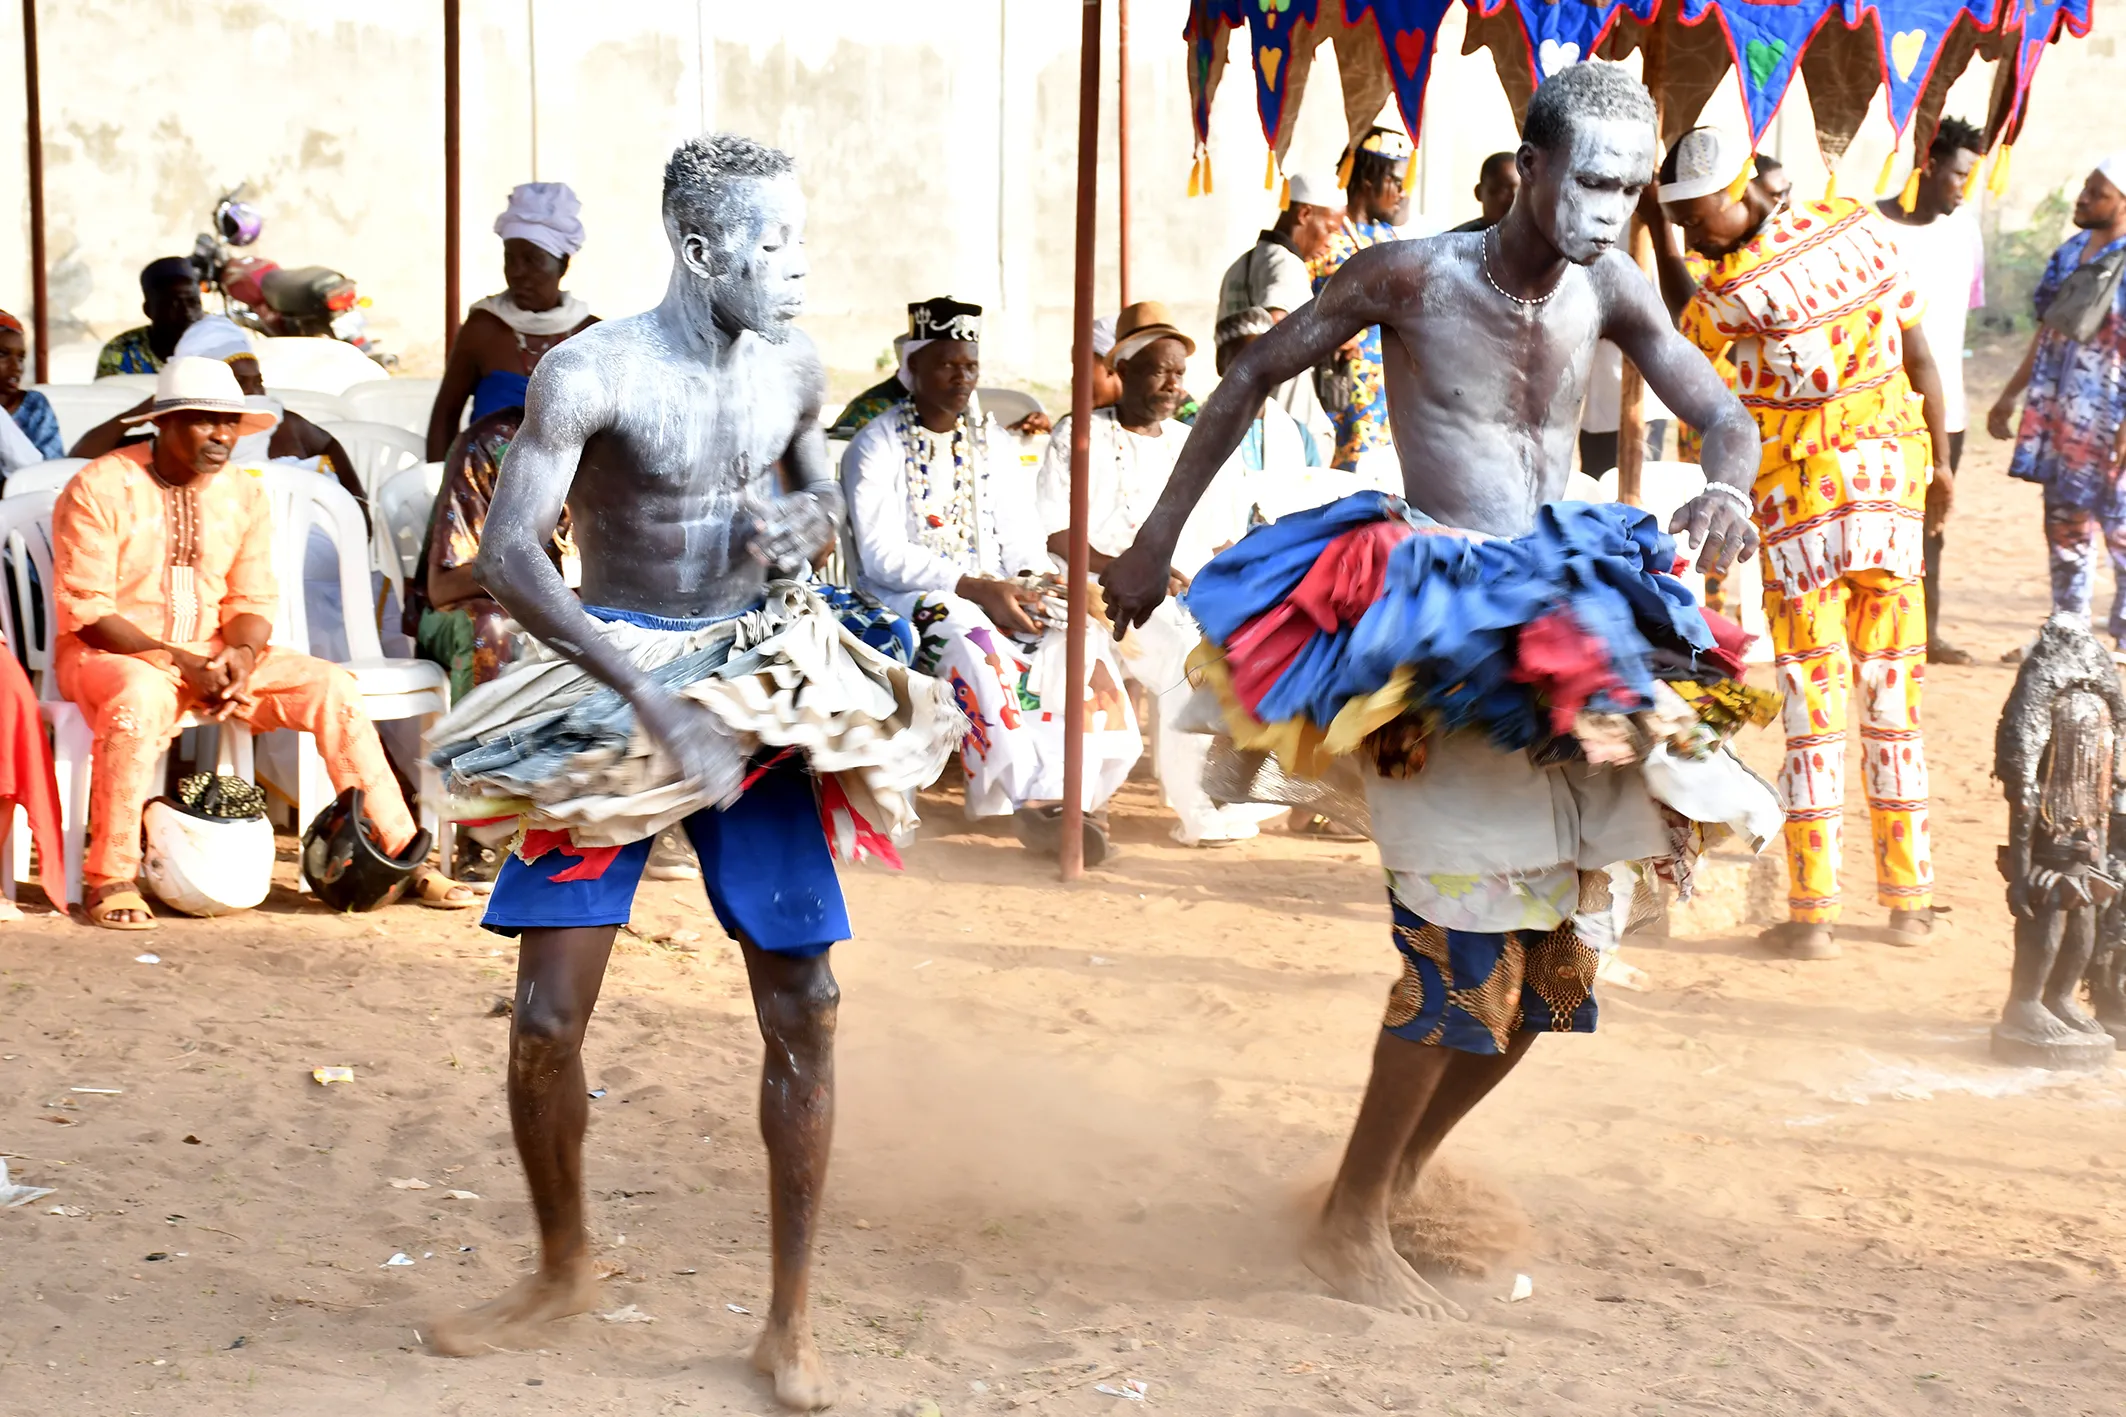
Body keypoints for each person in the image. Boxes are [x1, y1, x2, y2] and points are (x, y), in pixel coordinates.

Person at [1101, 62, 1760, 1319]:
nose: (1610, 210)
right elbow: (1245, 381)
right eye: (1591, 181)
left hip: (1565, 618)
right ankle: (1348, 1225)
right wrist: (1149, 542)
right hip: (1436, 626)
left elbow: (1721, 415)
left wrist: (1723, 486)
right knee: (1460, 949)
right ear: (1529, 167)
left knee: (1559, 970)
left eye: (1631, 188)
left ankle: (1387, 1183)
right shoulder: (1407, 275)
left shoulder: (1614, 286)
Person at [419, 134, 965, 1411]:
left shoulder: (792, 365)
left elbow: (816, 492)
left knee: (806, 1003)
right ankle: (562, 1266)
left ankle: (790, 1320)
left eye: (799, 238)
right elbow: (508, 556)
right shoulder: (589, 373)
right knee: (548, 1021)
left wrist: (805, 524)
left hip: (755, 682)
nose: (796, 267)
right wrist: (645, 695)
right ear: (699, 250)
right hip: (611, 677)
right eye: (771, 245)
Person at [1645, 126, 1954, 959]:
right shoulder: (1858, 225)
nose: (1687, 233)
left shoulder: (1733, 292)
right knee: (1895, 703)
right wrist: (1945, 462)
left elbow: (1679, 324)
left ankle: (1813, 914)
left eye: (1692, 215)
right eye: (1674, 219)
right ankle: (1909, 902)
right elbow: (1919, 350)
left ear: (1736, 187)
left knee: (1813, 714)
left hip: (1804, 515)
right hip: (1892, 489)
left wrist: (1643, 209)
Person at [51, 357, 471, 929]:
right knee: (141, 699)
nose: (223, 436)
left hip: (216, 657)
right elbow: (88, 610)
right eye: (206, 422)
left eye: (231, 423)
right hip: (115, 657)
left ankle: (400, 856)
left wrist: (241, 657)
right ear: (164, 424)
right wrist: (184, 662)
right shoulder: (99, 484)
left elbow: (252, 602)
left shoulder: (241, 494)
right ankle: (112, 876)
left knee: (333, 687)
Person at [841, 296, 1139, 861]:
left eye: (970, 366)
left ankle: (1078, 793)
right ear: (913, 369)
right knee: (973, 641)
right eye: (947, 365)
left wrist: (1028, 584)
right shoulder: (875, 443)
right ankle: (1030, 802)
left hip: (996, 586)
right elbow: (880, 555)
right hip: (910, 597)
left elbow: (1022, 536)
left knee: (1076, 631)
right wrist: (975, 587)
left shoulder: (990, 442)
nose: (962, 378)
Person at [1038, 300, 1273, 847]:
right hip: (1097, 591)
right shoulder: (1079, 436)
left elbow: (1218, 537)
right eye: (1158, 370)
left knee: (1250, 642)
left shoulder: (1187, 442)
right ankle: (1200, 812)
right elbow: (1054, 534)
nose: (1172, 384)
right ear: (1121, 371)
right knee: (1181, 657)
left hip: (1179, 593)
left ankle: (1225, 792)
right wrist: (1130, 568)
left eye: (1179, 373)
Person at [1989, 155, 2126, 647]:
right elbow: (2049, 334)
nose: (2083, 198)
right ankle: (2070, 635)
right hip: (2064, 419)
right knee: (2066, 527)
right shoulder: (2068, 256)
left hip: (2115, 417)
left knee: (2122, 527)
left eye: (2097, 192)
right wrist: (2009, 395)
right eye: (2086, 188)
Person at [1879, 117, 1987, 666]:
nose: (1963, 188)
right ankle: (1881, 632)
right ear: (1929, 165)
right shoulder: (1874, 228)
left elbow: (1959, 316)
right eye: (1958, 175)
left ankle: (1927, 632)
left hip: (1948, 411)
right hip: (1879, 408)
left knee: (1931, 524)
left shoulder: (1963, 229)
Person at [425, 183, 598, 460]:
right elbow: (445, 417)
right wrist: (442, 484)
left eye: (532, 260)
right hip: (483, 489)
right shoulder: (483, 329)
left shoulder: (590, 335)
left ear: (563, 264)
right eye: (510, 259)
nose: (518, 273)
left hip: (570, 494)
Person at [1312, 127, 1412, 473]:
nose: (1402, 192)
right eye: (1395, 182)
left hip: (1389, 391)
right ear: (1370, 182)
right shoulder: (1326, 238)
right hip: (1340, 386)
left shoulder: (1391, 237)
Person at [1219, 172, 1338, 442]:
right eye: (1330, 229)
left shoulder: (1239, 266)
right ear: (1304, 214)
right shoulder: (1287, 266)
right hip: (1286, 417)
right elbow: (1276, 323)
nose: (1331, 242)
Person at [94, 257, 204, 378]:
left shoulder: (221, 341)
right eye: (170, 303)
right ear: (148, 310)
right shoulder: (122, 352)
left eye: (193, 301)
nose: (186, 312)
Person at [0, 310, 64, 467]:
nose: (17, 367)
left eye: (21, 358)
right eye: (2, 354)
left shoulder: (34, 405)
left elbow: (50, 472)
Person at [1449, 151, 1520, 233]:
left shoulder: (1535, 240)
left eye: (1523, 190)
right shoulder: (1453, 242)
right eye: (1503, 190)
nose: (1515, 198)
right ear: (1478, 193)